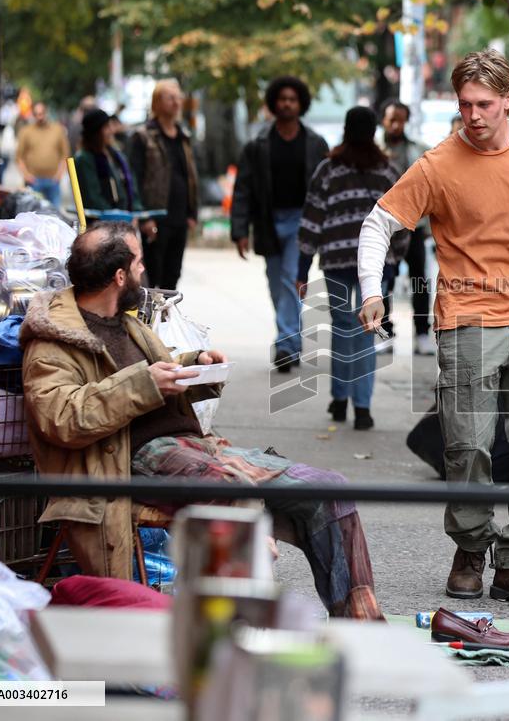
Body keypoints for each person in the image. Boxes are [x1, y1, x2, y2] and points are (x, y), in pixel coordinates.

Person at [20, 223, 383, 620]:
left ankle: (360, 624)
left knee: (328, 489)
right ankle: (242, 638)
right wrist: (146, 383)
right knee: (232, 493)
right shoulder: (51, 341)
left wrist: (193, 368)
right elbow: (61, 417)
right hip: (128, 457)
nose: (144, 270)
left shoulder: (127, 323)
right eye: (138, 262)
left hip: (194, 447)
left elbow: (153, 375)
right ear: (119, 275)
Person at [356, 50, 509, 609]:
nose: (473, 115)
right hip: (466, 323)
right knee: (468, 448)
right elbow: (378, 223)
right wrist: (372, 290)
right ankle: (469, 552)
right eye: (465, 104)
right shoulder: (439, 164)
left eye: (484, 104)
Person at [297, 107, 406, 431]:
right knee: (368, 330)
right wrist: (395, 260)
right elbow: (402, 221)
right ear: (374, 131)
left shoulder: (328, 170)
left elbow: (312, 219)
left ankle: (340, 397)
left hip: (338, 258)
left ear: (345, 129)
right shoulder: (387, 171)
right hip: (377, 262)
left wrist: (302, 267)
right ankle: (362, 406)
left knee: (343, 326)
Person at [231, 77, 330, 373]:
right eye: (282, 99)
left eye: (292, 99)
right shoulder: (258, 145)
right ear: (274, 103)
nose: (287, 104)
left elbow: (327, 186)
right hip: (269, 222)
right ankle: (293, 340)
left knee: (290, 279)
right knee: (277, 286)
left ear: (301, 104)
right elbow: (243, 188)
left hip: (303, 220)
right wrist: (239, 230)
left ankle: (285, 343)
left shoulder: (315, 143)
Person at [128, 79, 200, 290]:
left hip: (180, 217)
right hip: (156, 217)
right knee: (153, 273)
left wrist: (192, 212)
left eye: (178, 97)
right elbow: (134, 178)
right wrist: (144, 217)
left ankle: (167, 320)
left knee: (173, 274)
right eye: (170, 97)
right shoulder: (143, 136)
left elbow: (189, 175)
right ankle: (151, 321)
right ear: (157, 102)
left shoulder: (183, 135)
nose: (176, 102)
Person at [378, 99, 434, 355]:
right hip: (386, 227)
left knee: (419, 281)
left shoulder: (419, 150)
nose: (397, 125)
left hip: (414, 227)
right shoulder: (374, 151)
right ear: (383, 121)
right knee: (383, 282)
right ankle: (385, 333)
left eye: (401, 119)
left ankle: (422, 333)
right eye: (392, 119)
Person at [74, 109, 144, 218]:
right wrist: (119, 217)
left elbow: (131, 185)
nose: (112, 131)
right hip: (103, 224)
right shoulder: (84, 159)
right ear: (95, 132)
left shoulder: (116, 155)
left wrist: (135, 212)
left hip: (124, 220)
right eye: (106, 127)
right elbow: (93, 198)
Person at [15, 101, 70, 207]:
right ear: (33, 114)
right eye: (36, 114)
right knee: (32, 214)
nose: (39, 117)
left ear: (46, 112)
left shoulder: (57, 130)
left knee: (54, 215)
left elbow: (65, 154)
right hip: (34, 181)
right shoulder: (26, 131)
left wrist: (59, 174)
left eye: (42, 113)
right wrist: (26, 175)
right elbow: (19, 157)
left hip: (53, 180)